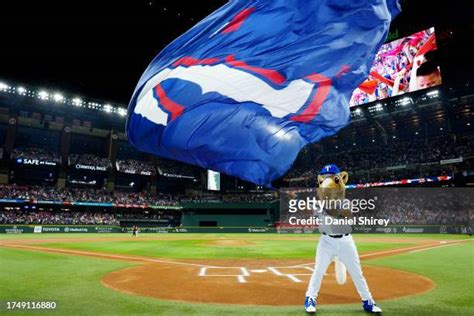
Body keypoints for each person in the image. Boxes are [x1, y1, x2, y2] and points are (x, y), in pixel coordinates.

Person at [305, 164, 381, 314]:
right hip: (326, 242)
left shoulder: (345, 202)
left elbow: (343, 213)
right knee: (318, 271)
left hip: (346, 242)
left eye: (331, 177)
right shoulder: (318, 202)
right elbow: (314, 212)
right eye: (325, 177)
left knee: (357, 273)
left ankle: (368, 301)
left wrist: (326, 203)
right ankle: (310, 298)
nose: (328, 180)